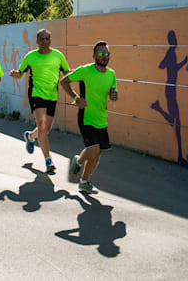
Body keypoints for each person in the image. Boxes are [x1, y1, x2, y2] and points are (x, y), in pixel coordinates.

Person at [60, 41, 118, 194]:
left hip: (102, 118)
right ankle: (79, 163)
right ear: (94, 55)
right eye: (101, 53)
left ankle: (84, 180)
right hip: (86, 116)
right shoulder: (85, 70)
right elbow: (64, 81)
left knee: (96, 155)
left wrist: (114, 96)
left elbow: (113, 95)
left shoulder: (111, 74)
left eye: (107, 53)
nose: (104, 56)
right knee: (94, 149)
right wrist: (76, 98)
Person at [9, 29, 70, 173]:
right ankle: (48, 161)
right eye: (41, 39)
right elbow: (21, 73)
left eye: (47, 39)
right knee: (42, 126)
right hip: (36, 94)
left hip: (52, 96)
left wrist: (76, 74)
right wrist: (16, 74)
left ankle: (30, 136)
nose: (44, 41)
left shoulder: (58, 56)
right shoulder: (30, 56)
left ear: (50, 40)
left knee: (46, 129)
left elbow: (66, 72)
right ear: (37, 41)